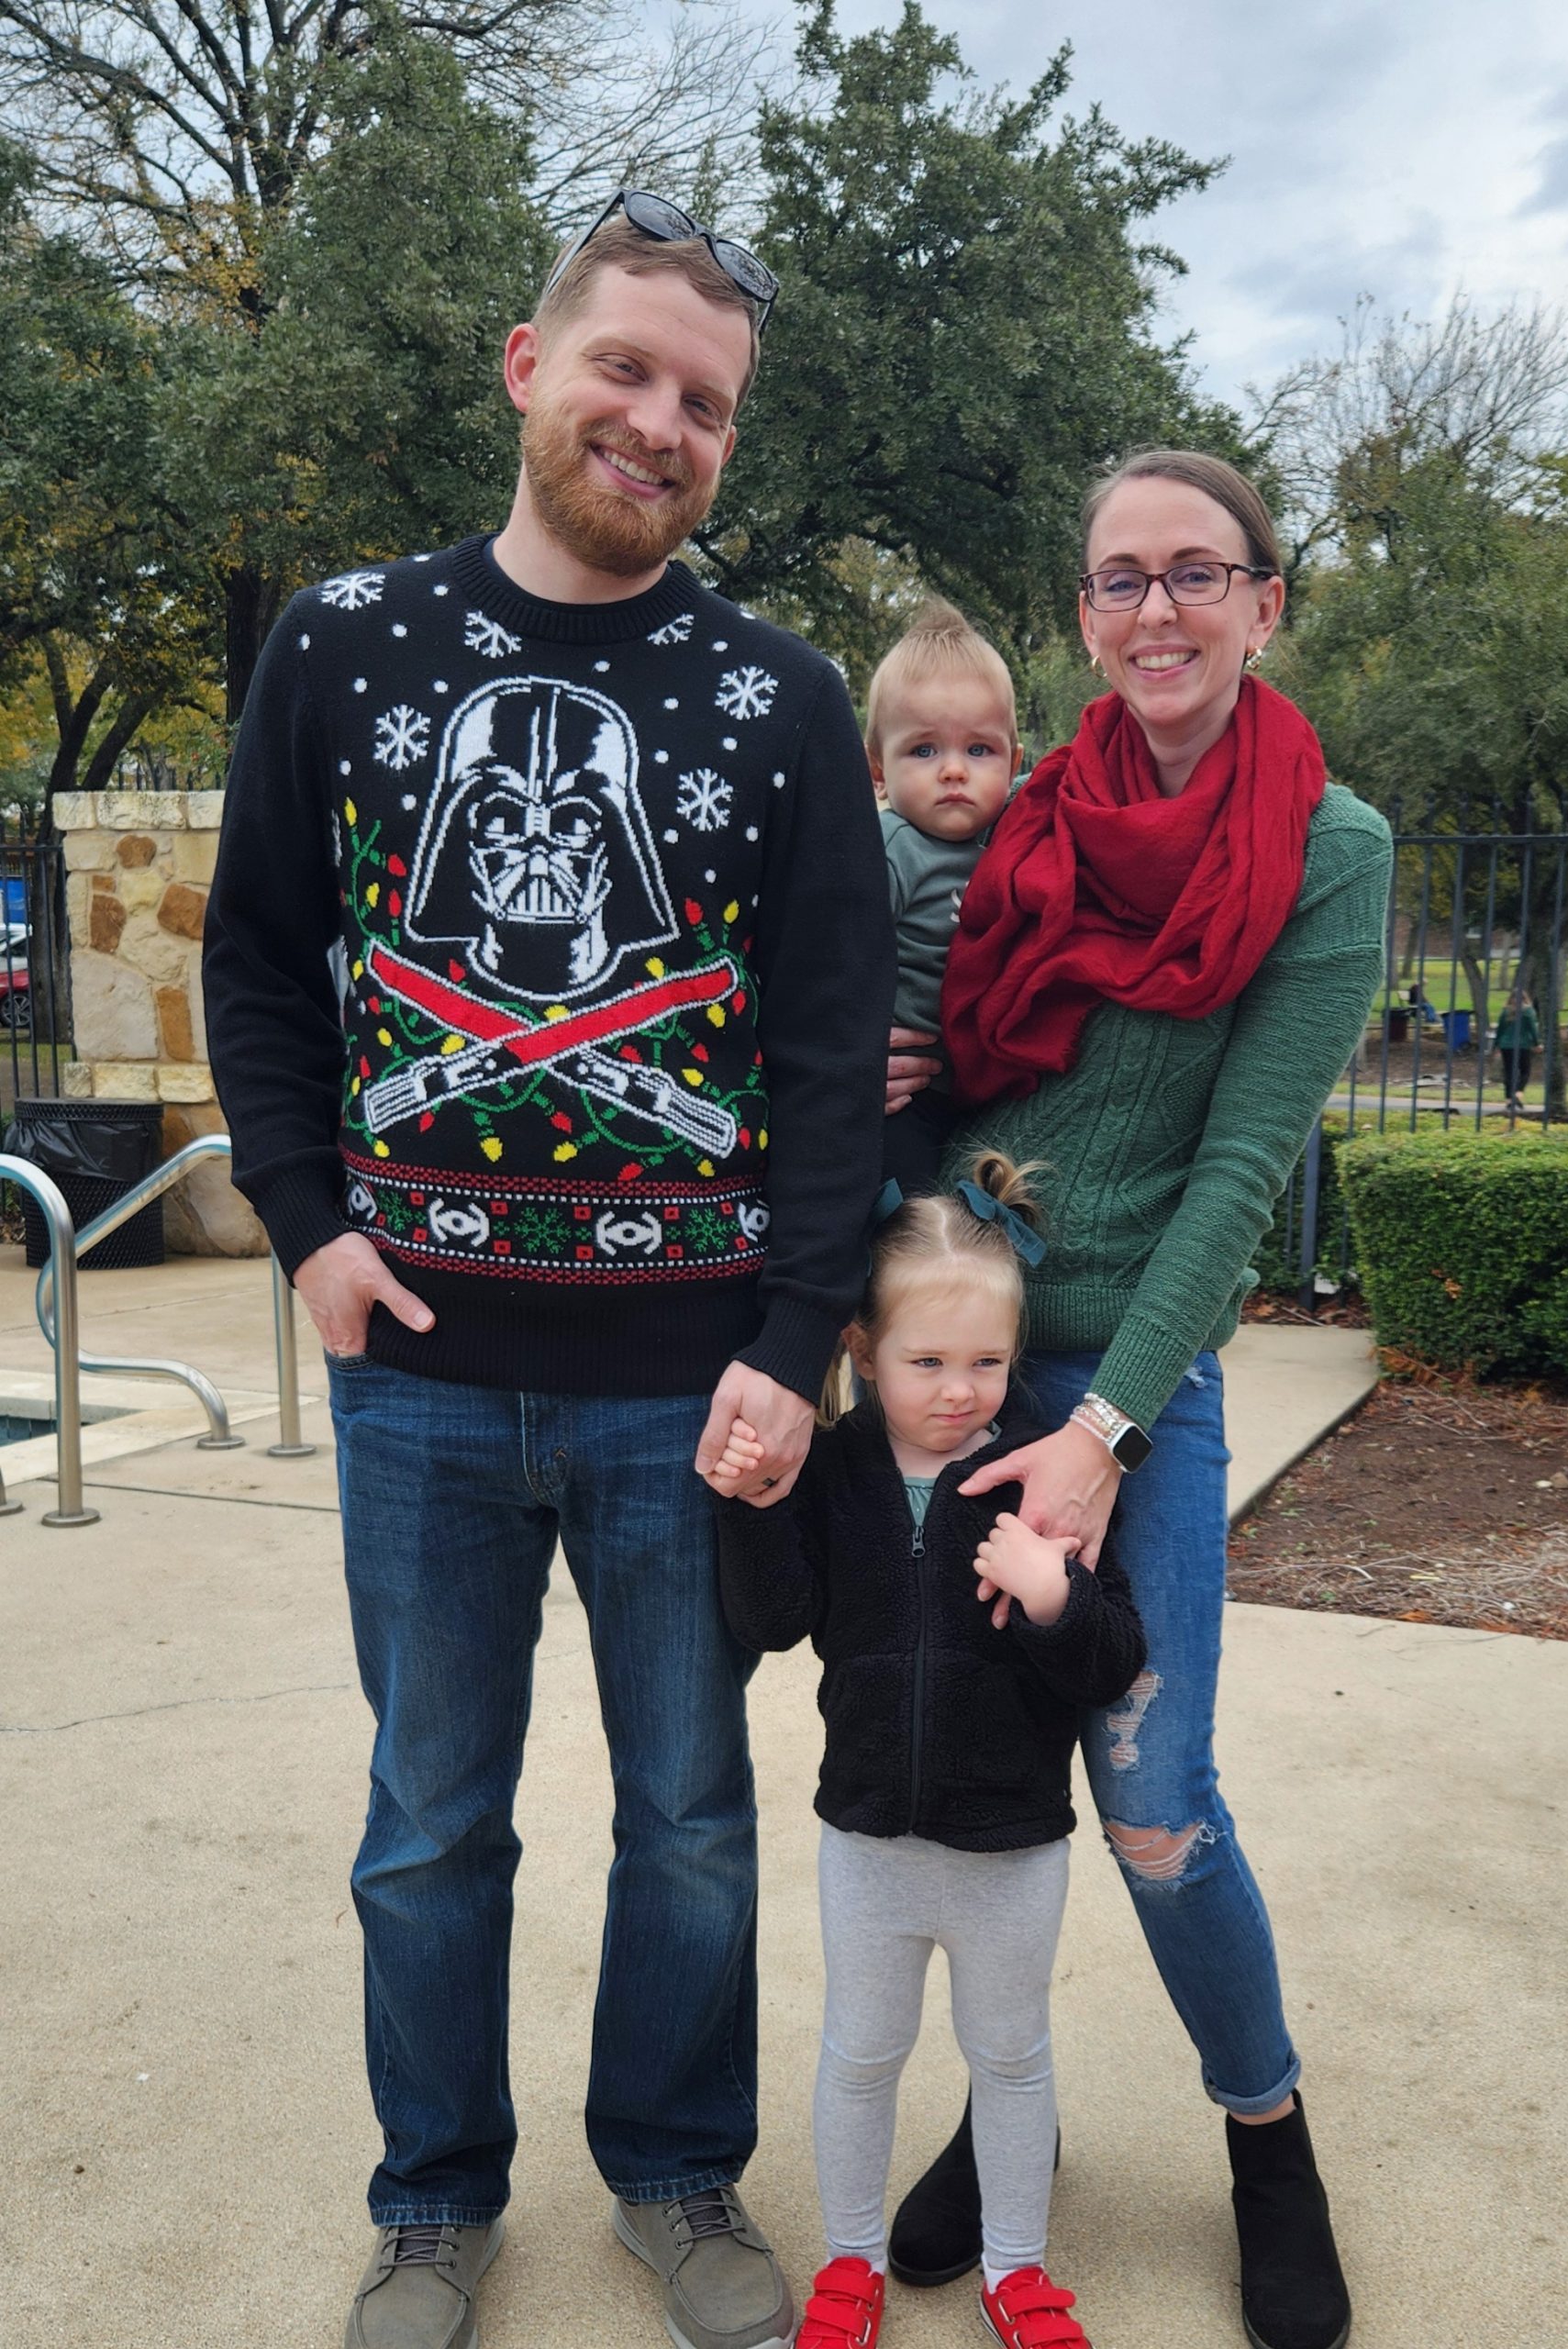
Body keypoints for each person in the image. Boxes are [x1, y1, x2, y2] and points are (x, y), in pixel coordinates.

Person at [203, 190, 893, 2349]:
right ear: (527, 364)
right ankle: (432, 2199)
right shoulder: (340, 642)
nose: (661, 421)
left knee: (687, 1813)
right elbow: (260, 955)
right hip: (417, 1366)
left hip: (691, 1379)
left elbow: (827, 1043)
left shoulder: (782, 697)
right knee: (429, 1820)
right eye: (625, 368)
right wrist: (310, 1220)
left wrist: (797, 1331)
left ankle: (676, 2170)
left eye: (706, 400)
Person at [885, 450, 1393, 2349]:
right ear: (1085, 611)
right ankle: (1006, 2107)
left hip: (1130, 1379)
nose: (1156, 607)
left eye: (1196, 571)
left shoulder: (1330, 847)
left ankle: (1268, 2133)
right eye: (1120, 577)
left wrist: (1102, 1438)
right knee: (981, 1781)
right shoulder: (1027, 811)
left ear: (1266, 600)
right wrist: (893, 1084)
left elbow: (1243, 1170)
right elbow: (963, 1056)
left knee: (1156, 1799)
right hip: (963, 1350)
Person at [709, 1156, 1146, 2349]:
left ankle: (1018, 2271)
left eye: (988, 1362)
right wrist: (752, 1506)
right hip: (867, 1840)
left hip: (1011, 1847)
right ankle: (850, 2263)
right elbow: (772, 1620)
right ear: (860, 1347)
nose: (961, 1391)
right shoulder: (832, 1467)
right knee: (861, 2055)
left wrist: (1054, 1595)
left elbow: (1112, 1658)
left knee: (1010, 2058)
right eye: (928, 1362)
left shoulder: (1042, 1482)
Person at [866, 603, 1020, 1194]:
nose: (954, 770)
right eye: (924, 750)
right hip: (903, 1095)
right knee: (908, 1219)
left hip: (974, 1094)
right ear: (878, 769)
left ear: (1014, 762)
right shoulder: (891, 850)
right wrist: (851, 1054)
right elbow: (829, 965)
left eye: (979, 750)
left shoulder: (1010, 839)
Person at [1496, 989, 1540, 1109]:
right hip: (1523, 1045)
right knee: (1525, 1071)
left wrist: (1497, 1045)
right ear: (1525, 998)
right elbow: (1533, 1029)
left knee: (1509, 1072)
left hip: (1506, 1045)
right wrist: (1537, 1043)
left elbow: (1500, 1029)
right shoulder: (1528, 1011)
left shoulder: (1506, 1011)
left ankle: (1509, 1100)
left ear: (1511, 999)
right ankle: (1518, 1094)